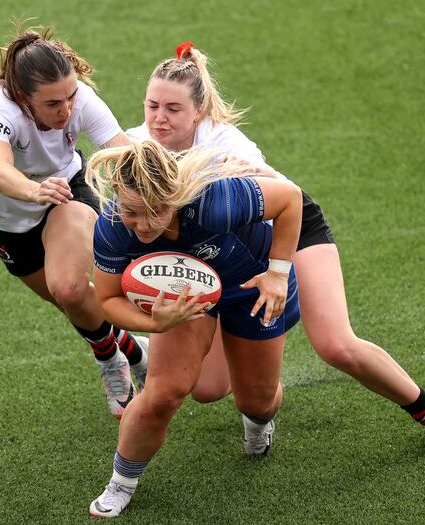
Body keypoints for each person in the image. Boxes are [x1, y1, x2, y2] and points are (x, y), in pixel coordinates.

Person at [125, 42, 425, 456]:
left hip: (287, 225)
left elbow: (284, 199)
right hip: (215, 249)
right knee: (207, 389)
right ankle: (247, 390)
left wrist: (277, 270)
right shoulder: (138, 145)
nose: (160, 118)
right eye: (152, 106)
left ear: (198, 111)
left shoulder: (225, 144)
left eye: (173, 109)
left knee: (335, 344)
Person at [85, 139, 304, 518]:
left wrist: (278, 273)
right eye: (131, 211)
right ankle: (121, 482)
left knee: (257, 401)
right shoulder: (113, 225)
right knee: (163, 393)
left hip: (250, 284)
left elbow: (290, 199)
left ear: (173, 198)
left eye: (152, 212)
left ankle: (258, 421)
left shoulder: (213, 200)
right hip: (182, 299)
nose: (139, 224)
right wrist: (156, 321)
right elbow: (106, 300)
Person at [0, 25, 149, 419]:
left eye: (70, 96)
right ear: (22, 99)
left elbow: (123, 152)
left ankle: (109, 361)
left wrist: (175, 180)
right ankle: (133, 350)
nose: (66, 111)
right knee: (73, 303)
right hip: (5, 218)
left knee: (67, 288)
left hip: (67, 192)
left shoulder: (78, 100)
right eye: (52, 104)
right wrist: (34, 191)